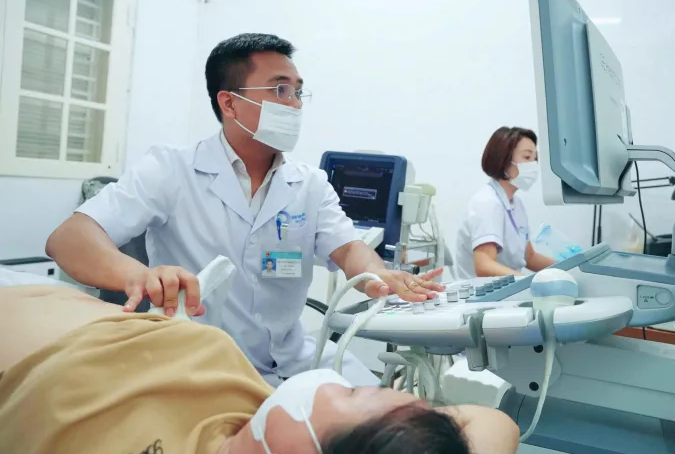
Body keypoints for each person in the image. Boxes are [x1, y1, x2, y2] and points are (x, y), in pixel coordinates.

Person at [45, 33, 444, 386]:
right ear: (230, 103)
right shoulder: (171, 169)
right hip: (200, 364)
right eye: (280, 90)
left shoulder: (309, 183)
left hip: (296, 361)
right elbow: (69, 240)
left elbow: (348, 248)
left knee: (387, 412)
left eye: (298, 92)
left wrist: (377, 275)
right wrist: (139, 275)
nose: (294, 104)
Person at [0, 285, 520, 454]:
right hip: (103, 310)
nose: (339, 383)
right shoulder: (253, 421)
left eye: (355, 395)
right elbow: (497, 424)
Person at [455, 127, 555, 279]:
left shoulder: (516, 204)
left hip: (507, 287)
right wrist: (526, 281)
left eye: (535, 158)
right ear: (504, 159)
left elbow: (529, 257)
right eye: (527, 157)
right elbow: (484, 265)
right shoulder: (487, 202)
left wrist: (570, 269)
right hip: (482, 291)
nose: (533, 165)